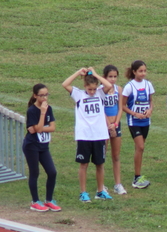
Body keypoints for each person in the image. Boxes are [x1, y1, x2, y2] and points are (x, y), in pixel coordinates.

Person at [62, 67, 113, 203]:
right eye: (89, 89)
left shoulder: (100, 93)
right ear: (85, 86)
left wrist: (95, 74)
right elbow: (65, 84)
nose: (92, 92)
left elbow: (109, 85)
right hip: (84, 135)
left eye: (94, 89)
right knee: (83, 164)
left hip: (99, 134)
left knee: (100, 164)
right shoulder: (79, 95)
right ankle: (83, 193)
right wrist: (78, 72)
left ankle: (100, 191)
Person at [22, 84, 60, 212]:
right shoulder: (32, 111)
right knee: (35, 173)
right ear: (35, 96)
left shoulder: (49, 108)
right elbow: (37, 130)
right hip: (31, 146)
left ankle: (49, 200)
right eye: (41, 95)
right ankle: (35, 201)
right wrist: (42, 113)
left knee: (52, 172)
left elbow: (52, 128)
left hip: (44, 146)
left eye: (46, 95)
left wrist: (39, 128)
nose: (44, 98)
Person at [120, 60, 154, 189]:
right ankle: (136, 178)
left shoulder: (148, 85)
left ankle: (138, 176)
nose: (143, 73)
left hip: (146, 121)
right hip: (134, 121)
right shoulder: (129, 87)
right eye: (140, 71)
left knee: (140, 148)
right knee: (140, 147)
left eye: (144, 71)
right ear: (134, 72)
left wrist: (150, 110)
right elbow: (123, 106)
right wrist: (134, 114)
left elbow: (151, 101)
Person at [102, 64, 126, 195]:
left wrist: (115, 124)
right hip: (103, 125)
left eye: (115, 76)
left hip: (115, 124)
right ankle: (102, 184)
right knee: (102, 155)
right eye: (110, 77)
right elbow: (100, 108)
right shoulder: (101, 90)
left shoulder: (119, 89)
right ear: (104, 77)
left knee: (116, 156)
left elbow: (120, 107)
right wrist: (108, 124)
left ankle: (118, 184)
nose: (112, 79)